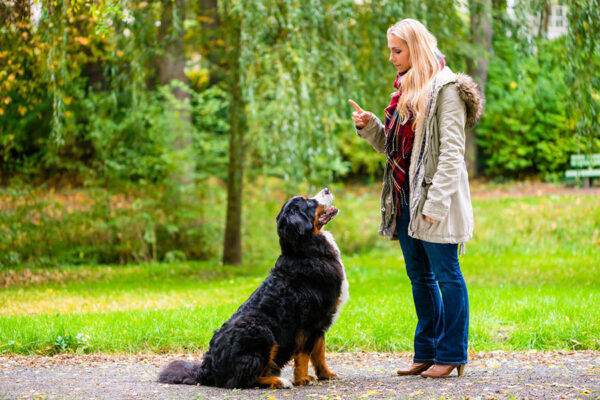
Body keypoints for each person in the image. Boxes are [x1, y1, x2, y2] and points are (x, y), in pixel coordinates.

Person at [349, 18, 483, 378]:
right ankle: (426, 351)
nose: (392, 58)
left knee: (446, 274)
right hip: (404, 198)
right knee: (420, 278)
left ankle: (453, 353)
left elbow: (453, 153)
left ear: (416, 47)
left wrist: (435, 205)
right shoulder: (405, 89)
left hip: (435, 202)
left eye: (397, 50)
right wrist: (370, 126)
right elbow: (394, 150)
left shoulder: (447, 89)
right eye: (390, 50)